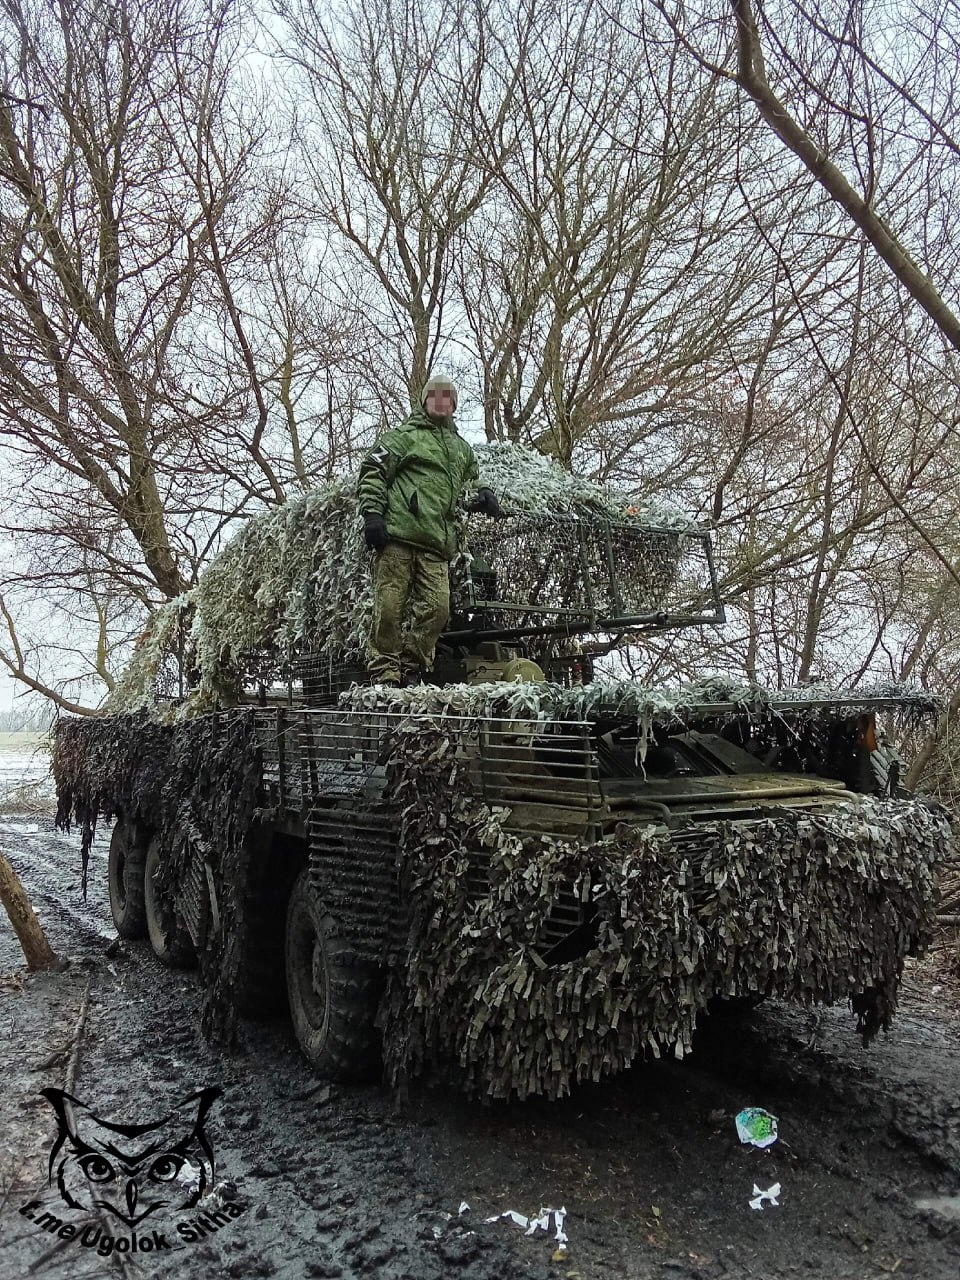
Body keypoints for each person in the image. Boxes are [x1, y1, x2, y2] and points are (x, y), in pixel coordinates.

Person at [357, 376, 503, 686]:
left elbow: (471, 481)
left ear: (453, 404)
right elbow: (373, 471)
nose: (440, 400)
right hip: (397, 536)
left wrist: (484, 492)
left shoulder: (462, 450)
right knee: (389, 608)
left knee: (438, 610)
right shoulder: (402, 437)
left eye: (446, 396)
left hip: (437, 543)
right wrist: (372, 514)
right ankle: (385, 671)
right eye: (433, 395)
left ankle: (411, 667)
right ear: (424, 401)